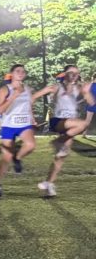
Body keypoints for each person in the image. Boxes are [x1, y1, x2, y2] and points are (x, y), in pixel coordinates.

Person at [0, 64, 51, 200]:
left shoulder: (27, 89)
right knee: (5, 158)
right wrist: (13, 97)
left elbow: (28, 105)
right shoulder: (5, 89)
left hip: (24, 124)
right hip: (9, 125)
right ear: (11, 73)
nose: (21, 73)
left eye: (23, 71)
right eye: (18, 71)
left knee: (31, 145)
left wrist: (32, 119)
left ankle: (17, 158)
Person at [37, 65, 96, 198]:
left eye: (76, 73)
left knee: (61, 156)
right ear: (65, 73)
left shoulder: (79, 88)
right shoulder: (57, 87)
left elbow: (92, 103)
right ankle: (57, 141)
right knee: (84, 124)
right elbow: (35, 95)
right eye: (71, 72)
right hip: (58, 121)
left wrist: (87, 93)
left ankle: (48, 184)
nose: (74, 75)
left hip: (70, 124)